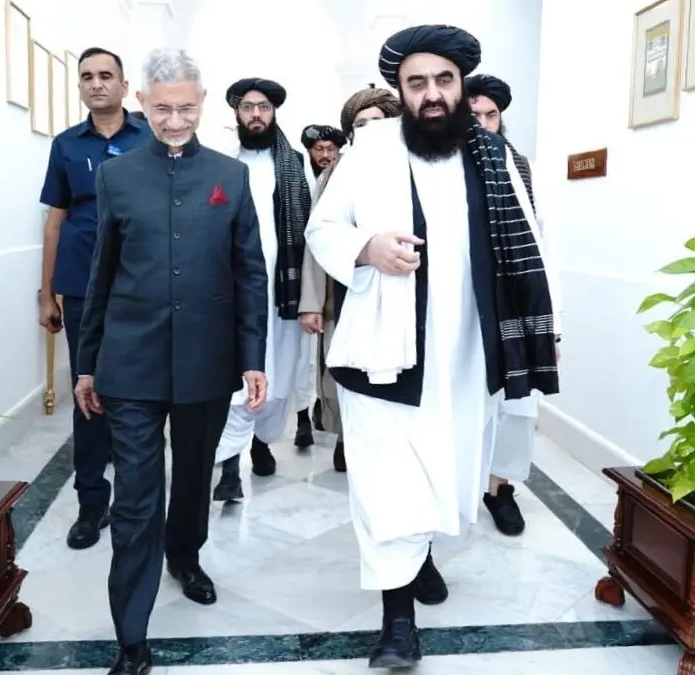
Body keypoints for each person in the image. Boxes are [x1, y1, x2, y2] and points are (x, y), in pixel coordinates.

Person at [305, 25, 560, 669]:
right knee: (386, 483)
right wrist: (367, 248)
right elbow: (323, 227)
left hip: (468, 355)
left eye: (444, 80)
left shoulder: (493, 154)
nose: (432, 94)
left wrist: (545, 327)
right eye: (416, 83)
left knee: (447, 473)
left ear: (461, 84)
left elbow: (531, 240)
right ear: (401, 90)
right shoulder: (371, 148)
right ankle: (397, 623)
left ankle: (417, 555)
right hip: (384, 351)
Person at [73, 48, 268, 675]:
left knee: (192, 478)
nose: (176, 120)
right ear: (142, 104)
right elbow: (101, 273)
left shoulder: (230, 176)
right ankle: (131, 636)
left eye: (186, 108)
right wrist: (87, 363)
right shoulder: (117, 176)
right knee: (135, 496)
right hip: (130, 361)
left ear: (203, 102)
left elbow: (250, 272)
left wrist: (253, 357)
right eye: (163, 109)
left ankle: (185, 555)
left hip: (208, 360)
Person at [38, 46, 151, 551]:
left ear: (125, 86)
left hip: (142, 288)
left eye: (106, 75)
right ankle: (90, 504)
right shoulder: (66, 145)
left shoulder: (150, 138)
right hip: (83, 289)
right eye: (87, 77)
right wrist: (47, 294)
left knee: (141, 398)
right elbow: (55, 222)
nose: (96, 83)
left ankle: (138, 501)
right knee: (88, 396)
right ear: (80, 86)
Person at [464, 72, 564, 536]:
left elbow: (542, 245)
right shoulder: (444, 167)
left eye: (491, 115)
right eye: (474, 115)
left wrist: (552, 327)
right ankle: (459, 487)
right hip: (466, 306)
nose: (483, 124)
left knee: (517, 406)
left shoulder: (520, 166)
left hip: (519, 303)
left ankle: (499, 487)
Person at [211, 77, 313, 501]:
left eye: (264, 107)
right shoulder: (221, 162)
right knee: (235, 370)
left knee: (279, 369)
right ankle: (229, 465)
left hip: (283, 291)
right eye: (248, 107)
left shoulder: (295, 165)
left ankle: (259, 441)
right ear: (236, 113)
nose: (256, 114)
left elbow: (312, 231)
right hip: (233, 289)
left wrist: (311, 299)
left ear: (274, 113)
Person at [298, 87, 402, 473]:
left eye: (379, 123)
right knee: (343, 369)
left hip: (397, 291)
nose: (370, 131)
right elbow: (316, 241)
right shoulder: (334, 174)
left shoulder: (411, 169)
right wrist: (311, 303)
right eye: (361, 124)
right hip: (341, 292)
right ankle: (346, 437)